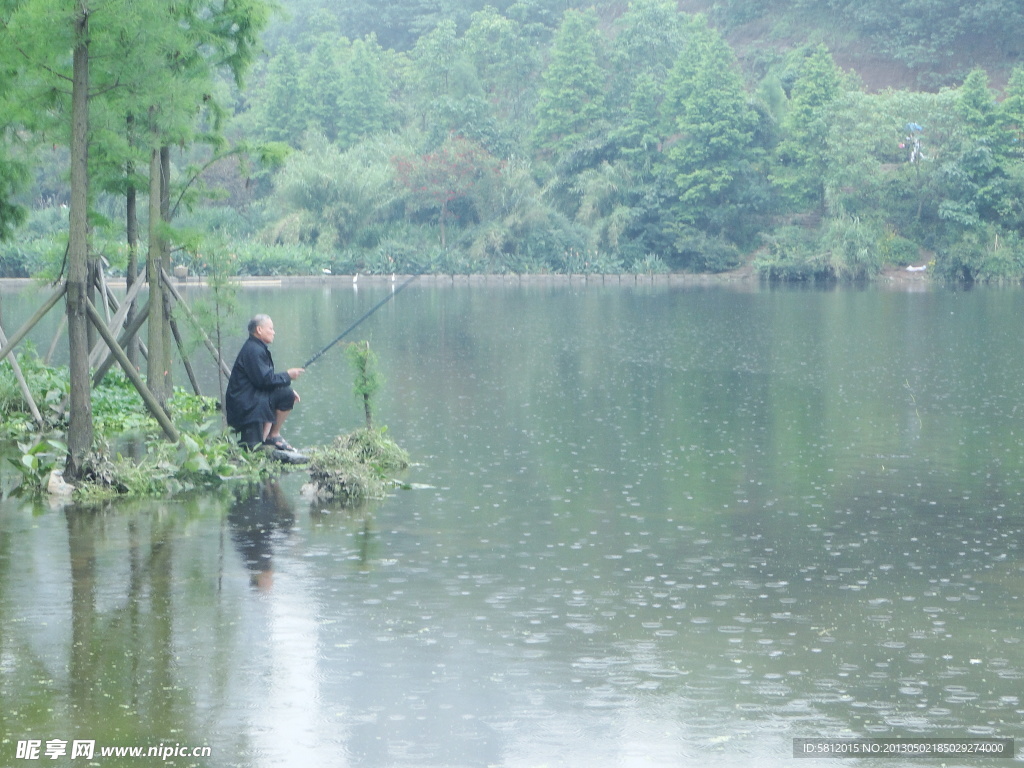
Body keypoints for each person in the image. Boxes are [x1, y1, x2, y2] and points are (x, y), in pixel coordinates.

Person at [225, 314, 304, 451]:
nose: (274, 332)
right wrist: (288, 375)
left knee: (286, 394)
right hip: (245, 404)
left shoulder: (256, 347)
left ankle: (273, 435)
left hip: (253, 397)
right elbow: (264, 381)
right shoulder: (253, 350)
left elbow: (264, 380)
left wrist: (285, 384)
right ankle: (265, 438)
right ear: (259, 330)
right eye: (271, 329)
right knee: (252, 448)